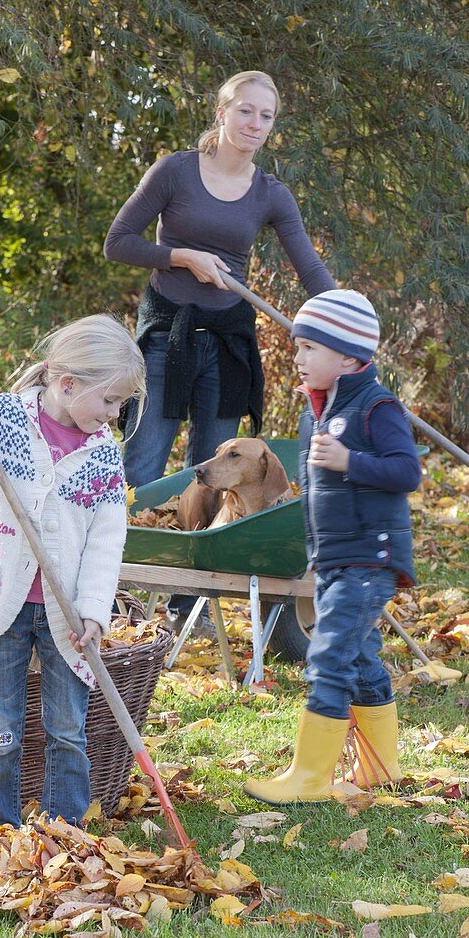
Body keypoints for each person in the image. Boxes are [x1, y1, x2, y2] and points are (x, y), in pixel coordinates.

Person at [104, 69, 336, 633]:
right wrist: (182, 257)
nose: (255, 124)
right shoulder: (176, 171)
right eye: (246, 111)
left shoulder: (270, 194)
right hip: (167, 336)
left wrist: (344, 317)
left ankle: (187, 610)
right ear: (222, 112)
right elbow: (119, 243)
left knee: (212, 473)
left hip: (229, 343)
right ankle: (119, 600)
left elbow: (308, 266)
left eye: (267, 115)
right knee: (142, 465)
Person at [0, 316, 146, 829]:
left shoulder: (102, 451)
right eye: (109, 401)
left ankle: (67, 830)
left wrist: (95, 613)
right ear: (67, 384)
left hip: (67, 615)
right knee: (0, 726)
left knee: (67, 729)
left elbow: (108, 539)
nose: (114, 414)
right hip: (0, 602)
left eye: (121, 404)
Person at [244, 289, 421, 804]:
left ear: (347, 356)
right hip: (337, 558)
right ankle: (380, 769)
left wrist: (351, 461)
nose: (297, 359)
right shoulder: (317, 412)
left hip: (370, 556)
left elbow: (407, 471)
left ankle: (310, 776)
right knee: (360, 656)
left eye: (308, 349)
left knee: (328, 656)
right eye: (297, 348)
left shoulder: (377, 406)